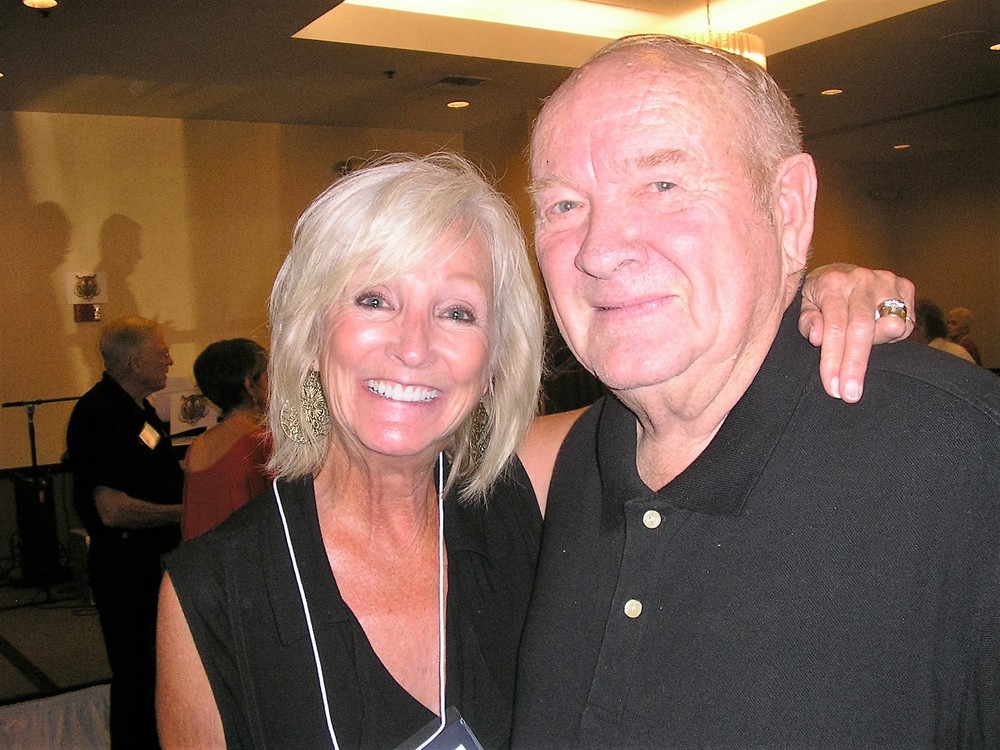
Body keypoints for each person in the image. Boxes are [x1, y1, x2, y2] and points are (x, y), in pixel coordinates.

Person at [155, 156, 912, 750]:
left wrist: (814, 296)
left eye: (457, 312)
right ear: (311, 330)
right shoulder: (211, 593)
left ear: (494, 358)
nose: (414, 347)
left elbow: (707, 391)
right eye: (374, 300)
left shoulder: (535, 483)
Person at [511, 35, 1000, 749]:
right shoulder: (570, 469)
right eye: (562, 204)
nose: (599, 249)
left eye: (663, 184)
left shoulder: (962, 456)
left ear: (789, 209)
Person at [65, 316, 183, 749]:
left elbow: (153, 473)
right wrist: (184, 513)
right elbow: (112, 511)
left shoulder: (140, 410)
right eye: (162, 352)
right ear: (135, 362)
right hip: (127, 570)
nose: (170, 360)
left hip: (154, 563)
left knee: (158, 675)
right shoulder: (99, 414)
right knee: (138, 677)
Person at [182, 338, 272, 541]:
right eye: (267, 376)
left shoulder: (197, 445)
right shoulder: (260, 443)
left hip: (202, 555)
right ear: (250, 385)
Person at [915, 299, 977, 363]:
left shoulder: (965, 348)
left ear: (965, 327)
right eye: (948, 323)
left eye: (954, 323)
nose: (949, 326)